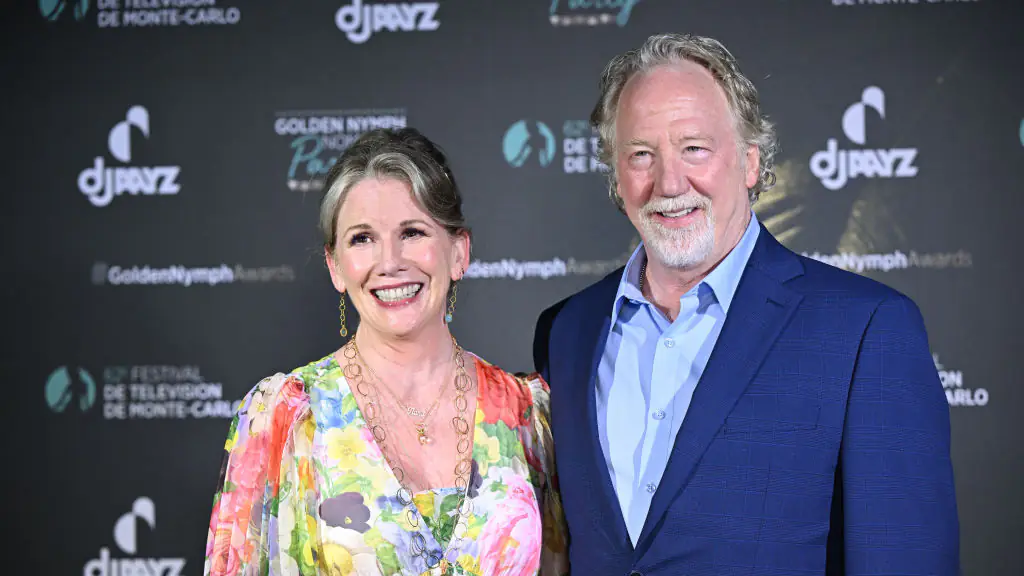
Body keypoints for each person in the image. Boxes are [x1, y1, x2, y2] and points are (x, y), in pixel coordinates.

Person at [533, 33, 959, 575]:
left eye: (694, 148)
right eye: (641, 154)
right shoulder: (567, 331)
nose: (669, 182)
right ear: (615, 175)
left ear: (750, 162)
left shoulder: (865, 330)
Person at [205, 127, 569, 576]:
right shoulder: (284, 416)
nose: (390, 262)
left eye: (412, 232)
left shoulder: (526, 413)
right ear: (335, 267)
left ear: (459, 252)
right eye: (362, 238)